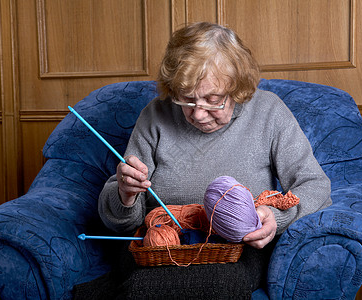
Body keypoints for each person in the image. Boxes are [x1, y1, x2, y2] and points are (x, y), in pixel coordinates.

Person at [92, 22, 332, 297]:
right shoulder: (155, 115)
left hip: (234, 248)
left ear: (237, 87)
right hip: (161, 244)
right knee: (143, 279)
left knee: (216, 283)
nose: (198, 115)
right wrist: (125, 194)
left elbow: (315, 185)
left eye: (213, 100)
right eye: (187, 100)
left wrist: (275, 217)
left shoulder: (269, 112)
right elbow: (117, 222)